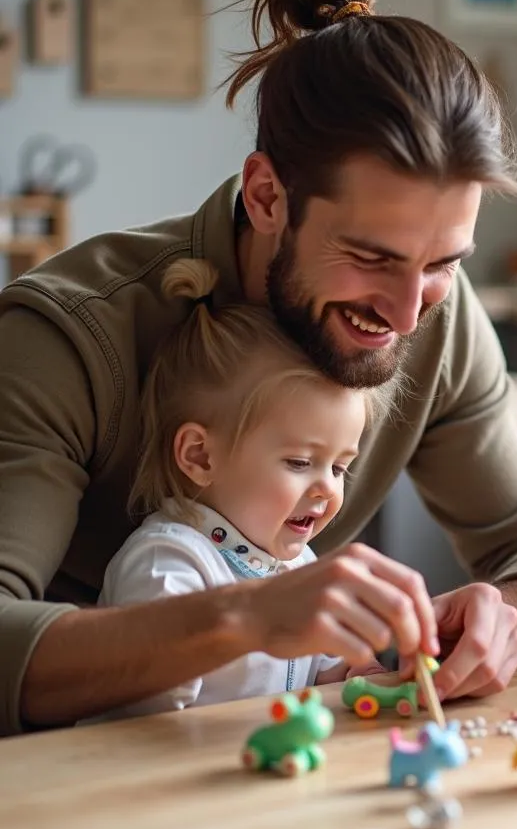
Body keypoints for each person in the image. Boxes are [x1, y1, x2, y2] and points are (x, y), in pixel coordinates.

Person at [0, 0, 517, 737]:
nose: (410, 314)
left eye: (444, 264)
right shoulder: (68, 336)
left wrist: (505, 613)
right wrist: (243, 616)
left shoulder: (436, 322)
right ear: (267, 196)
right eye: (373, 258)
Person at [89, 258, 384, 719]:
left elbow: (338, 669)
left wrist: (370, 674)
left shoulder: (297, 564)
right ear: (200, 457)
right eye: (300, 462)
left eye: (340, 468)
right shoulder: (167, 562)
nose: (327, 488)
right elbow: (145, 702)